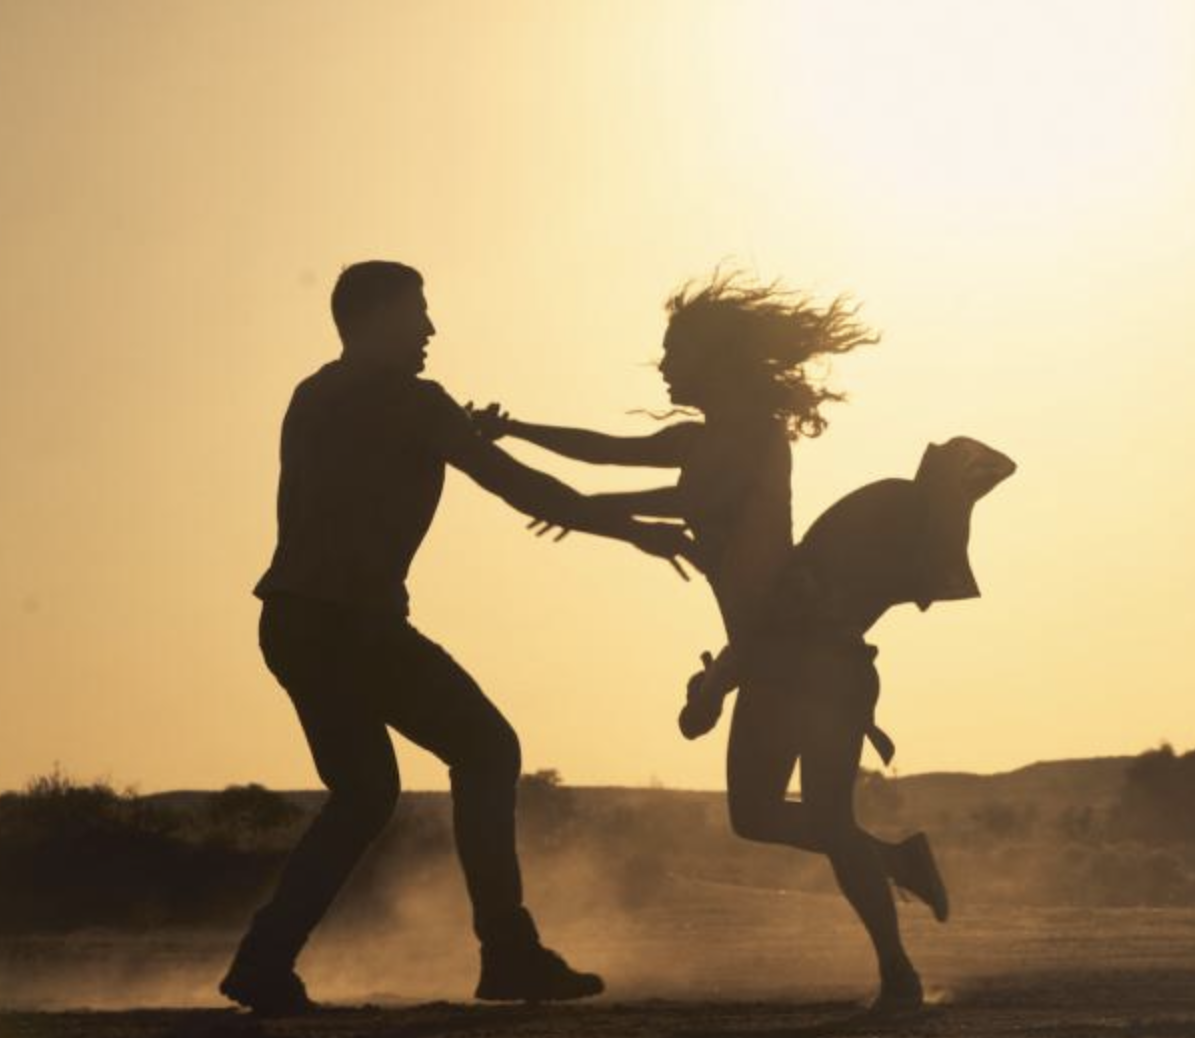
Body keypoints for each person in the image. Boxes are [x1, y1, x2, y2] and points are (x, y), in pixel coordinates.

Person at [472, 272, 954, 1014]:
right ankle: (896, 859)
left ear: (716, 357)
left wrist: (579, 510)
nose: (665, 366)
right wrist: (514, 432)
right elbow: (604, 449)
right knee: (754, 816)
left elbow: (690, 500)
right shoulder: (700, 440)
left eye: (676, 351)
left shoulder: (756, 438)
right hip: (772, 659)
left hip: (817, 664)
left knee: (828, 820)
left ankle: (899, 976)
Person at [222, 261, 690, 1015]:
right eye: (418, 314)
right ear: (376, 318)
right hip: (352, 624)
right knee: (487, 750)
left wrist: (455, 428)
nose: (431, 329)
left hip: (291, 621)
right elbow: (519, 486)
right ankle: (507, 953)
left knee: (364, 795)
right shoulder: (414, 402)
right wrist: (630, 528)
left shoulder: (313, 394)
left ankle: (264, 961)